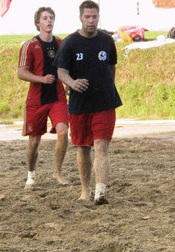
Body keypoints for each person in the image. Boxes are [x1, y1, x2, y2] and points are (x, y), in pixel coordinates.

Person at [54, 0, 122, 205]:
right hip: (80, 104)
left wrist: (107, 85)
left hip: (105, 102)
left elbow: (111, 67)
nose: (91, 21)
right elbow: (61, 71)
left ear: (99, 17)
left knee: (101, 145)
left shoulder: (107, 41)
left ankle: (101, 191)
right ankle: (85, 190)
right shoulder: (69, 43)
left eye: (94, 17)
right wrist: (72, 83)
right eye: (87, 17)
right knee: (83, 147)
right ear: (80, 18)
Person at [17, 7, 69, 189]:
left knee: (63, 132)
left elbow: (67, 68)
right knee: (34, 141)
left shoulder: (62, 44)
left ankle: (57, 172)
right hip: (36, 99)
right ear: (38, 23)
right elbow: (21, 73)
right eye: (45, 18)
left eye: (51, 18)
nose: (49, 21)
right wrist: (42, 79)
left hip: (57, 97)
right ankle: (31, 175)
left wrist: (69, 83)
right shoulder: (29, 45)